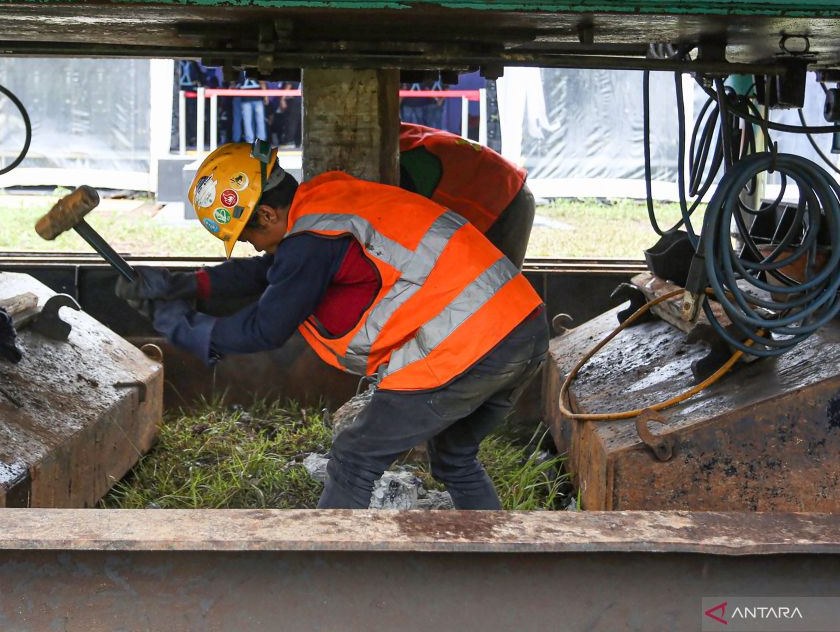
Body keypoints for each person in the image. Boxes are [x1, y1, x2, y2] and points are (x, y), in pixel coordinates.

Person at [119, 141, 549, 510]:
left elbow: (264, 328)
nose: (251, 246)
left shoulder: (311, 243)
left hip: (467, 343)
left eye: (247, 237)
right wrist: (184, 285)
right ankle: (502, 559)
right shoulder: (326, 204)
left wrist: (181, 327)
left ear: (267, 215)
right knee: (455, 455)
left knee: (354, 457)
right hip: (522, 329)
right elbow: (271, 270)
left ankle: (326, 578)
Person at [399, 122, 535, 268]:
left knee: (493, 287)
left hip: (506, 198)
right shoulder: (400, 143)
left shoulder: (401, 161)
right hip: (495, 189)